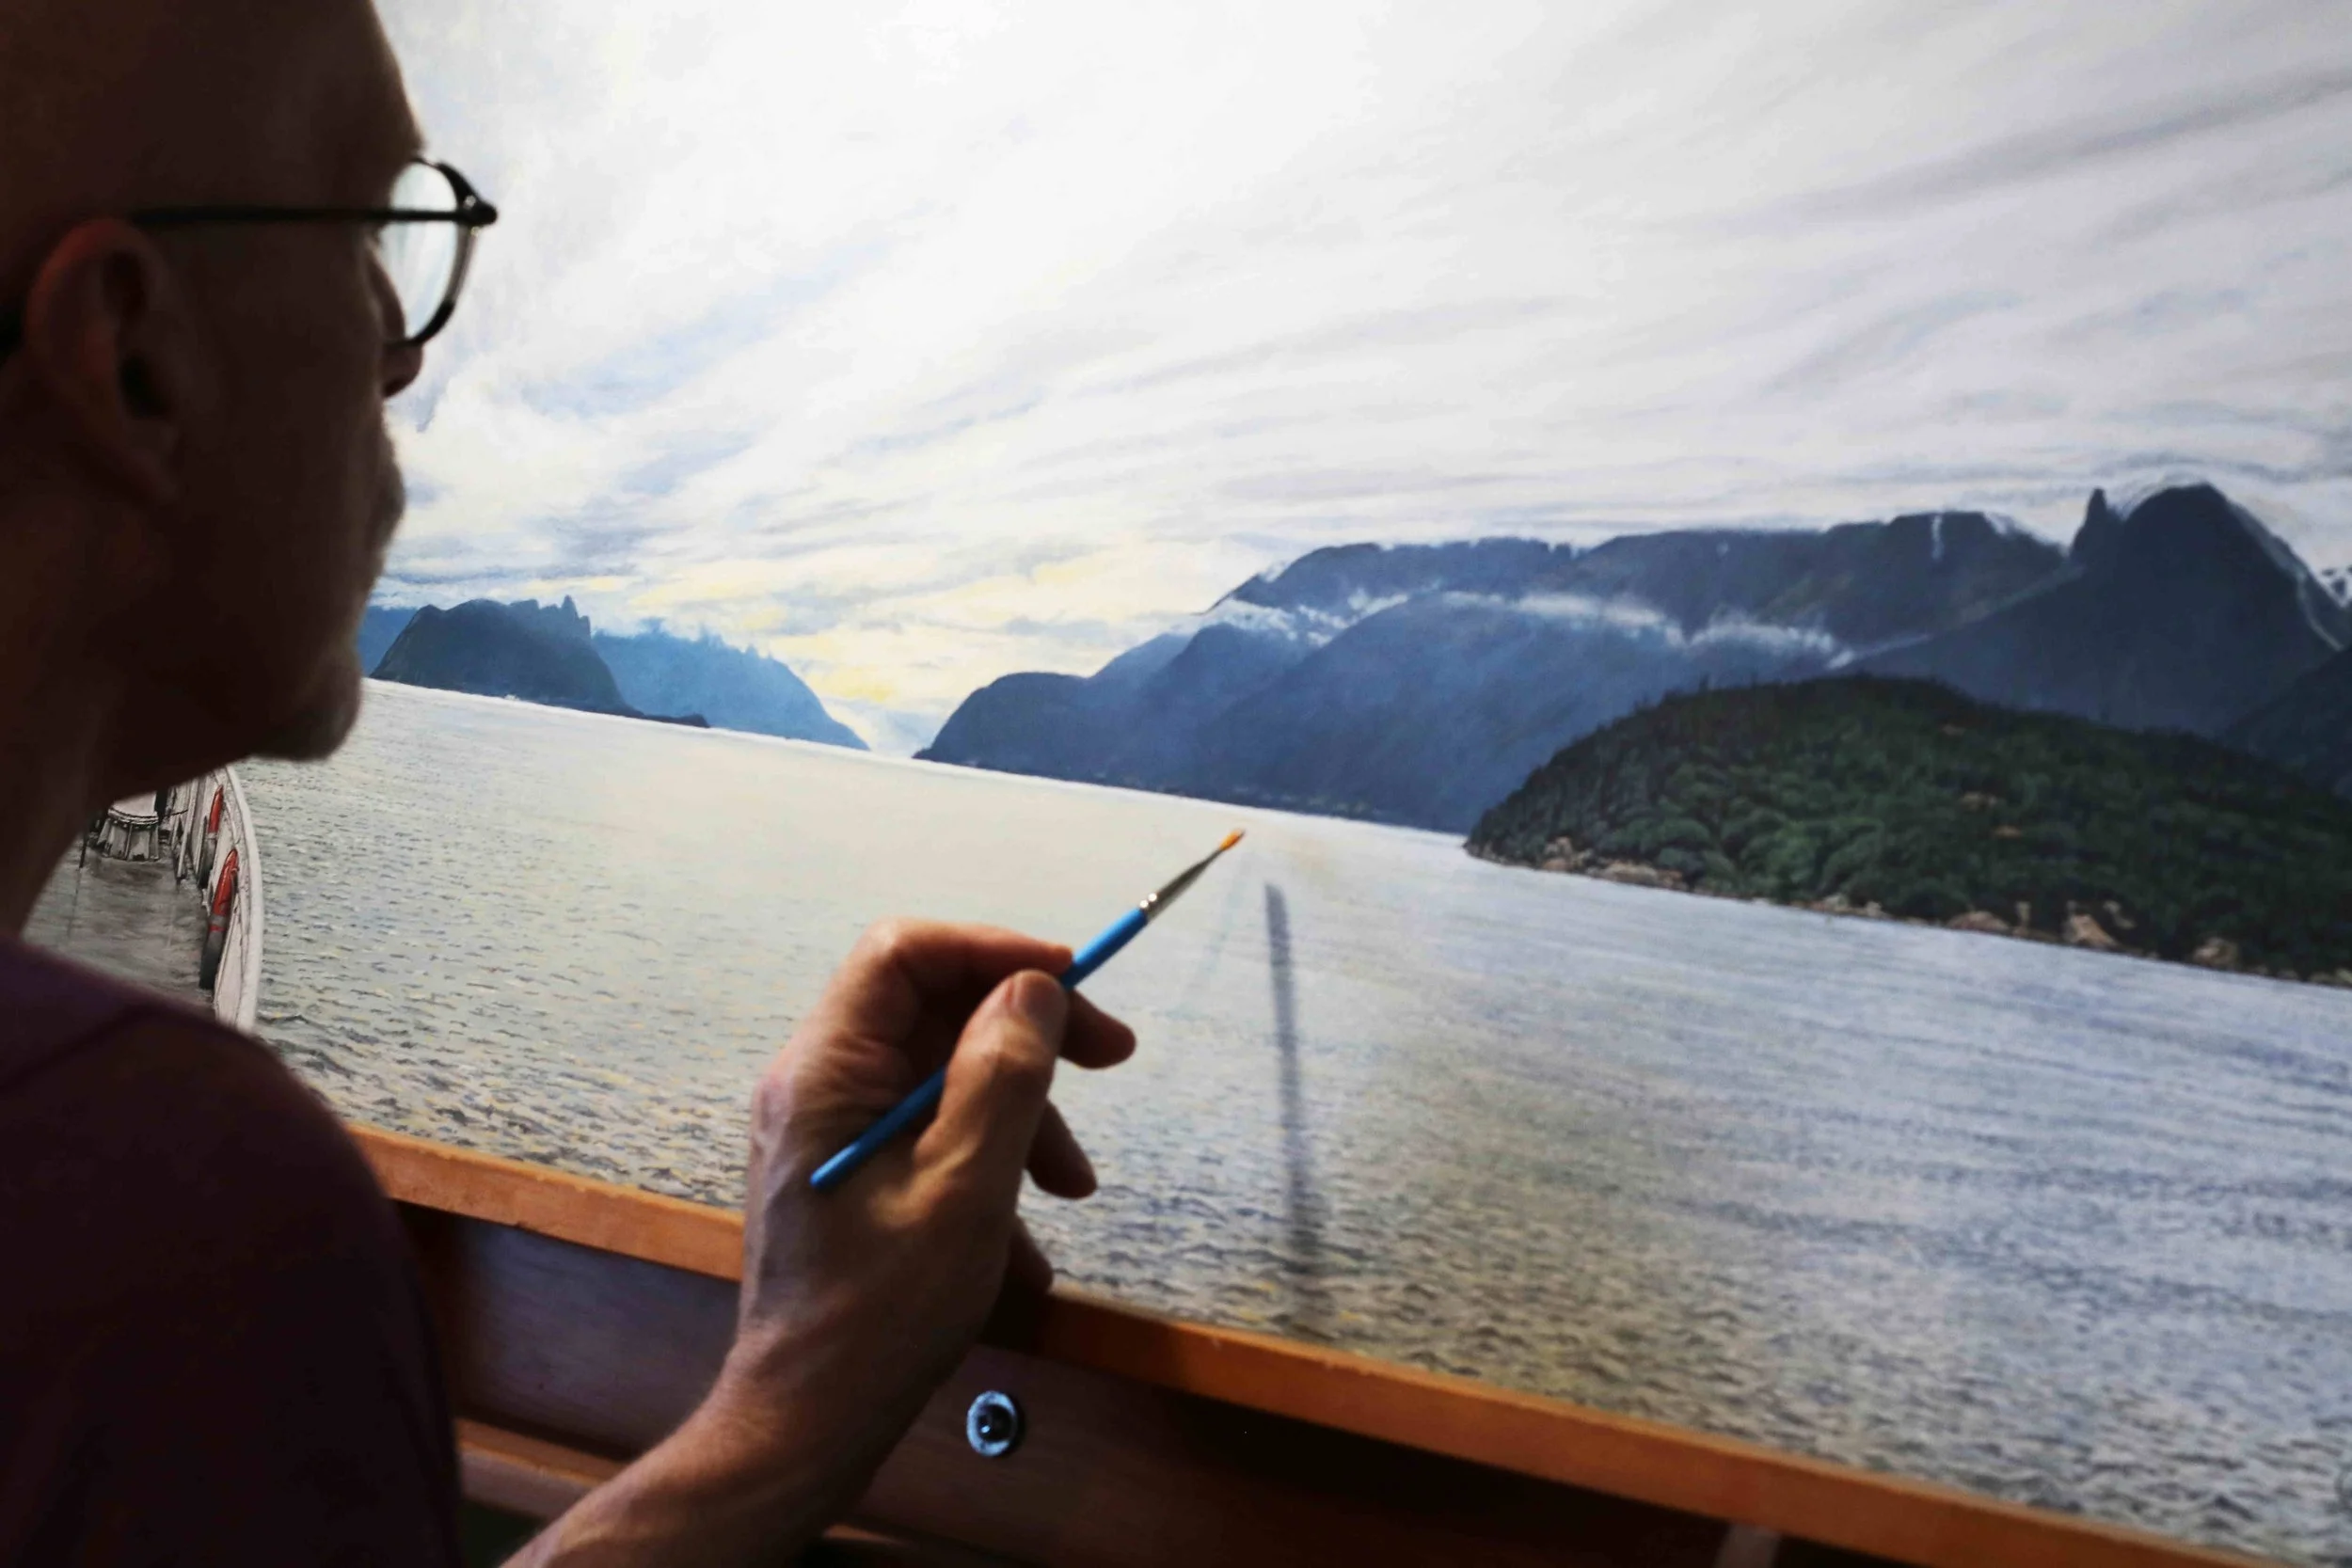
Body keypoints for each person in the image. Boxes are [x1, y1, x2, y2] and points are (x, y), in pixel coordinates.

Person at [0, 0, 1136, 1561]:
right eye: (370, 239)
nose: (402, 359)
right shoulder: (170, 1220)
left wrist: (796, 1389)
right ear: (132, 360)